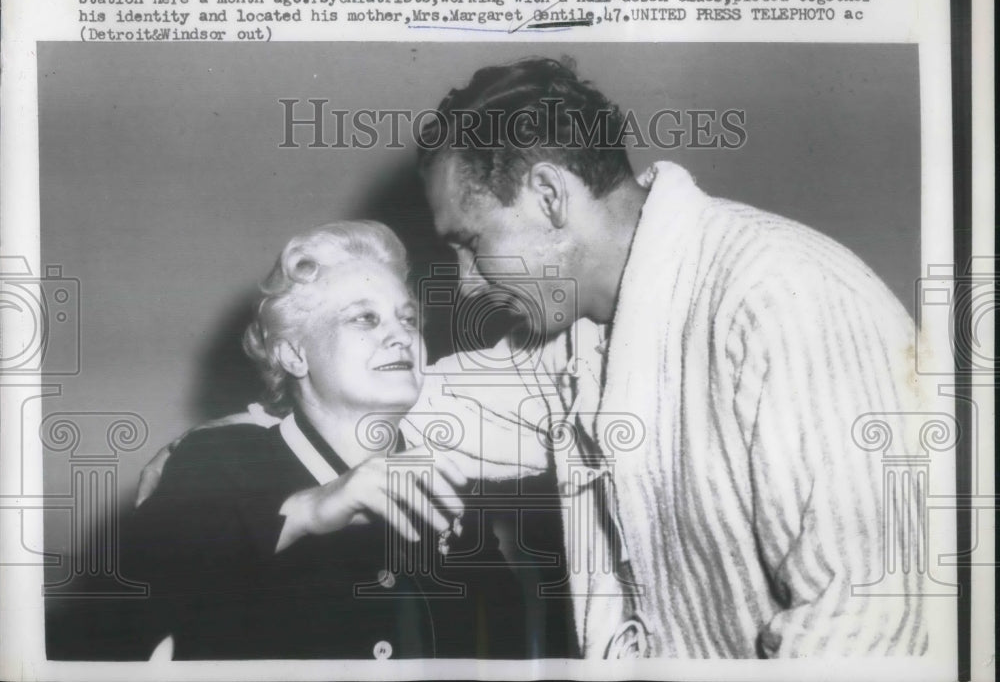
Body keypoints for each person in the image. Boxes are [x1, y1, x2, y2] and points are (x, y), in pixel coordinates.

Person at [140, 57, 929, 659]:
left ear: (550, 198)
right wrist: (223, 451)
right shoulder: (582, 339)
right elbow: (404, 402)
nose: (466, 282)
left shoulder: (778, 298)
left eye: (470, 242)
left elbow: (866, 623)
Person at [126, 220, 525, 660]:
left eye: (408, 318)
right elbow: (132, 603)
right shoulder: (221, 459)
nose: (401, 335)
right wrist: (306, 510)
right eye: (365, 318)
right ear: (294, 354)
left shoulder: (449, 480)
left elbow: (513, 642)